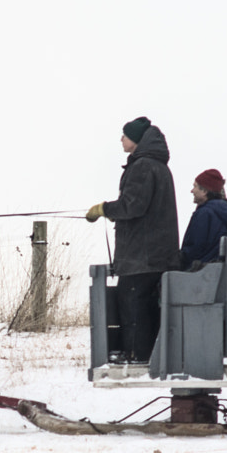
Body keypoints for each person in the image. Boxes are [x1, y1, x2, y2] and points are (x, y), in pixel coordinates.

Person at [86, 116, 179, 362]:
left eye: (125, 135)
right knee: (144, 305)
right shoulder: (157, 166)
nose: (121, 139)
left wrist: (104, 209)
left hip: (142, 256)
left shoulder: (143, 166)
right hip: (155, 254)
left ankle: (137, 355)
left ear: (136, 140)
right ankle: (145, 355)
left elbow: (132, 205)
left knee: (133, 303)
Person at [180, 168, 227, 270]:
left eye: (195, 187)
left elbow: (193, 250)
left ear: (204, 191)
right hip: (224, 272)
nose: (192, 191)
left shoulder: (204, 213)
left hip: (203, 273)